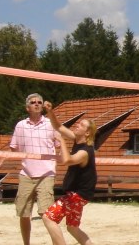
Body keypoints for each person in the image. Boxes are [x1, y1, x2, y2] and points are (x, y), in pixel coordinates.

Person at [0, 93, 59, 245]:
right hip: (26, 175)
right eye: (33, 102)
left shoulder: (50, 124)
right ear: (27, 107)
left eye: (39, 102)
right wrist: (2, 159)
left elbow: (59, 145)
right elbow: (14, 148)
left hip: (46, 174)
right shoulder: (21, 125)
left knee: (47, 215)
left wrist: (63, 161)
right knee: (24, 214)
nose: (37, 104)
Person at [42, 101, 97, 245]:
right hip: (80, 195)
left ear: (87, 133)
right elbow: (58, 126)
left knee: (48, 217)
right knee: (72, 227)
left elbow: (67, 160)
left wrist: (61, 141)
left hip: (77, 196)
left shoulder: (85, 151)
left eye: (81, 125)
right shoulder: (77, 140)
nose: (77, 125)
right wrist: (50, 111)